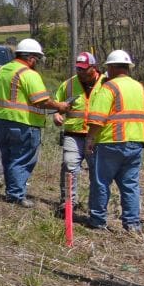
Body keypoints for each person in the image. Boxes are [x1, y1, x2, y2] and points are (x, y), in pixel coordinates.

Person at [0, 38, 71, 206]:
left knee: (9, 157)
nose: (37, 63)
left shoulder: (2, 70)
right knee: (23, 159)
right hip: (22, 123)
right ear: (31, 58)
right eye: (37, 59)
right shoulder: (28, 74)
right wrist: (60, 106)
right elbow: (41, 101)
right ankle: (16, 195)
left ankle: (12, 191)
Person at [87, 49, 144, 232]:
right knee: (130, 184)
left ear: (112, 68)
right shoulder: (139, 87)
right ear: (128, 67)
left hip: (111, 142)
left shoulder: (109, 87)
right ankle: (132, 224)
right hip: (136, 142)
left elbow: (97, 118)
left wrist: (90, 138)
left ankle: (98, 220)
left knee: (101, 182)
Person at [52, 52, 102, 217]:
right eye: (78, 68)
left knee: (98, 173)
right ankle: (68, 204)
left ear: (93, 68)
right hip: (73, 134)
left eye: (84, 69)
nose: (80, 72)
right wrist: (57, 114)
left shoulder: (106, 83)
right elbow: (57, 104)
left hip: (97, 136)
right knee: (69, 166)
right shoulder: (69, 84)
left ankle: (95, 208)